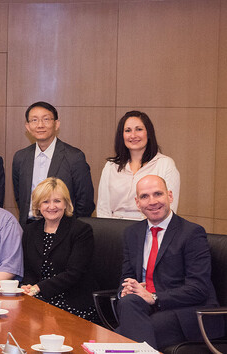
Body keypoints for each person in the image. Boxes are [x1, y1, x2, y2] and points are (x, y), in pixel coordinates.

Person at [115, 175, 222, 349]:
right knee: (127, 302)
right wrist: (125, 291)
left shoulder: (192, 233)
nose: (152, 201)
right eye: (144, 196)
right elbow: (126, 277)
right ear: (137, 202)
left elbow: (199, 289)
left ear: (170, 196)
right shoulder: (132, 233)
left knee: (118, 339)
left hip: (189, 312)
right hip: (146, 308)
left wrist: (154, 297)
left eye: (158, 194)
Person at [20, 177, 96, 321]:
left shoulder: (81, 231)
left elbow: (74, 273)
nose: (51, 206)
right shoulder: (31, 230)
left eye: (57, 201)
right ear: (38, 205)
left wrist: (38, 288)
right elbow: (28, 269)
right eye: (46, 201)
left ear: (66, 204)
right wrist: (28, 286)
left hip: (71, 300)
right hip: (39, 297)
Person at [12, 101, 94, 223]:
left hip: (64, 228)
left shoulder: (74, 157)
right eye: (34, 120)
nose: (40, 125)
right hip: (29, 227)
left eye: (46, 119)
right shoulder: (20, 157)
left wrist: (72, 229)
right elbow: (20, 198)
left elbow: (85, 201)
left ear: (56, 124)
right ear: (27, 127)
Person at [97, 111, 180, 220]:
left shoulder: (165, 164)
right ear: (121, 135)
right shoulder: (111, 166)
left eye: (139, 129)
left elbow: (168, 208)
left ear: (148, 133)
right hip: (113, 229)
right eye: (128, 130)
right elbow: (103, 209)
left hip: (149, 228)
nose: (133, 135)